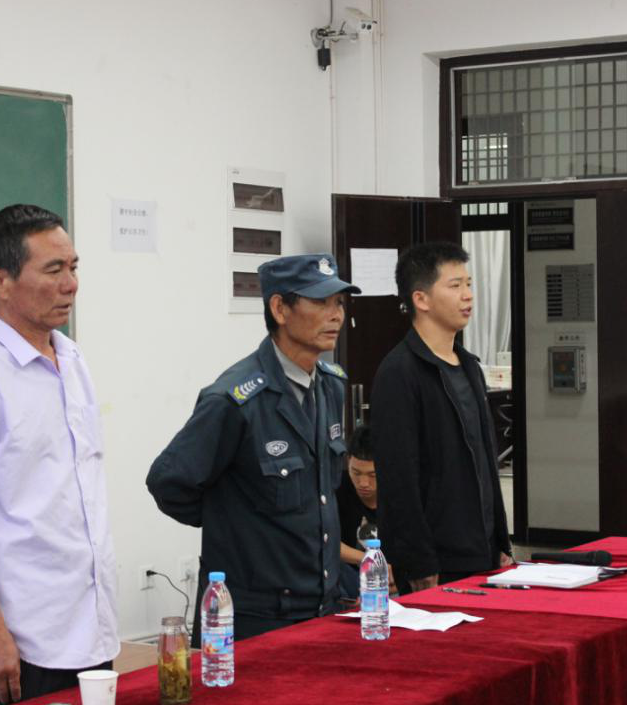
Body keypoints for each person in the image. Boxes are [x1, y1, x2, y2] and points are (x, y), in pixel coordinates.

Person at [0, 204, 119, 705]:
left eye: (73, 267)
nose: (71, 284)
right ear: (1, 281)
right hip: (21, 641)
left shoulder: (73, 359)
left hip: (92, 627)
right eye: (53, 270)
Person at [147, 254, 360, 641]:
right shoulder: (235, 398)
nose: (336, 316)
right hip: (254, 616)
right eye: (320, 302)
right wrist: (234, 525)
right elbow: (169, 482)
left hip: (321, 606)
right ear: (280, 308)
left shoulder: (331, 385)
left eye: (339, 303)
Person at [372, 241, 514, 594]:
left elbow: (485, 462)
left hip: (483, 552)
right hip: (436, 560)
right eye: (455, 285)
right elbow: (398, 478)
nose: (468, 295)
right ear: (421, 299)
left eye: (469, 284)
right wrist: (417, 560)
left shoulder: (469, 366)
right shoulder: (399, 372)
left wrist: (501, 541)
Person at [336, 424, 380, 598]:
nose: (363, 483)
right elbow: (325, 541)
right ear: (348, 461)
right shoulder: (337, 488)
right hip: (348, 581)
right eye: (356, 472)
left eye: (372, 475)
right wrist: (368, 560)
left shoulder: (400, 495)